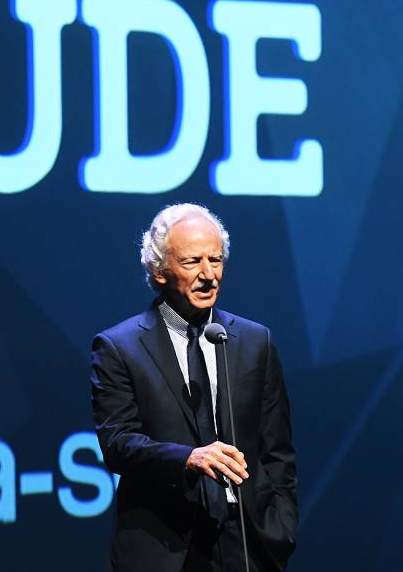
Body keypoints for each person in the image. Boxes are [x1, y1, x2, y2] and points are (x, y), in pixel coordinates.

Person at [90, 204, 297, 572]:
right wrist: (188, 458)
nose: (208, 275)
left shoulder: (254, 341)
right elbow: (118, 443)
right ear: (159, 271)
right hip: (164, 545)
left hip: (249, 541)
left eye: (215, 260)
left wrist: (281, 527)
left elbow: (277, 450)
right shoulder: (119, 347)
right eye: (192, 262)